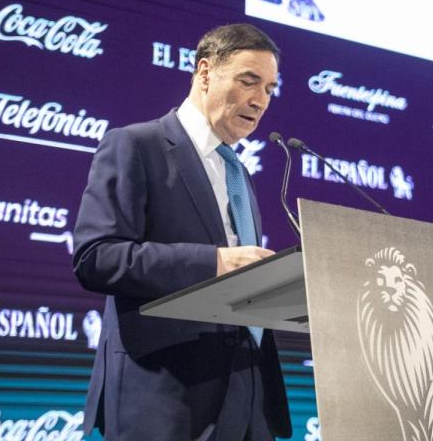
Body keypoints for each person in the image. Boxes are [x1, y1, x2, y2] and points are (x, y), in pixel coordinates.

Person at [73, 23, 291, 441]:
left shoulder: (239, 173)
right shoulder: (137, 145)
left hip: (247, 395)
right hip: (166, 393)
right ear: (205, 73)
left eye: (269, 89)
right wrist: (215, 263)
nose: (261, 100)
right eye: (248, 82)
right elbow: (96, 257)